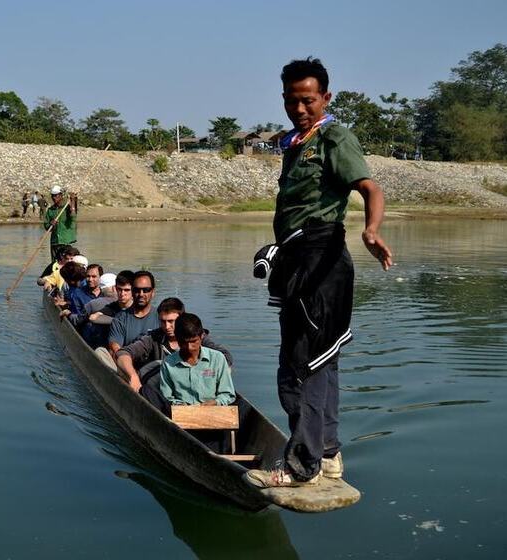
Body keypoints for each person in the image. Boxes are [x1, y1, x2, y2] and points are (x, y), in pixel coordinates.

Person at [244, 57, 393, 489]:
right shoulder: (295, 143)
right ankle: (326, 455)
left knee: (301, 366)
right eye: (292, 101)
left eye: (308, 100)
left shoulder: (334, 137)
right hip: (296, 262)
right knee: (320, 362)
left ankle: (300, 465)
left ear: (325, 97)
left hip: (321, 260)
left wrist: (371, 228)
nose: (300, 108)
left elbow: (370, 187)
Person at [116, 297, 233, 401]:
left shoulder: (198, 337)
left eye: (171, 322)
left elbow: (224, 356)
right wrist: (133, 376)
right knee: (158, 365)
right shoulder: (154, 338)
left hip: (201, 390)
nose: (167, 327)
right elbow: (123, 353)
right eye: (163, 321)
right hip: (167, 391)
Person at [159, 313, 236, 453]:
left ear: (201, 337)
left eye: (193, 341)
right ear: (177, 339)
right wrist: (181, 406)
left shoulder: (217, 359)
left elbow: (228, 394)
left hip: (214, 422)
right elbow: (167, 398)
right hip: (183, 424)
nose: (189, 348)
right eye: (184, 342)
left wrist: (216, 402)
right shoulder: (168, 364)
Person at [107, 270, 160, 360]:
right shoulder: (120, 319)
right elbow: (115, 347)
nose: (141, 294)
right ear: (132, 291)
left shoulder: (161, 317)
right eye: (137, 290)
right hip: (127, 365)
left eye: (146, 290)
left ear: (153, 292)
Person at [43, 185, 77, 262]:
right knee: (55, 264)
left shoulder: (66, 208)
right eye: (53, 196)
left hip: (66, 241)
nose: (54, 198)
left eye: (56, 195)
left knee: (67, 263)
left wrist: (72, 201)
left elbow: (73, 216)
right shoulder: (50, 210)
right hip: (55, 242)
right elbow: (46, 227)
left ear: (61, 195)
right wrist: (51, 224)